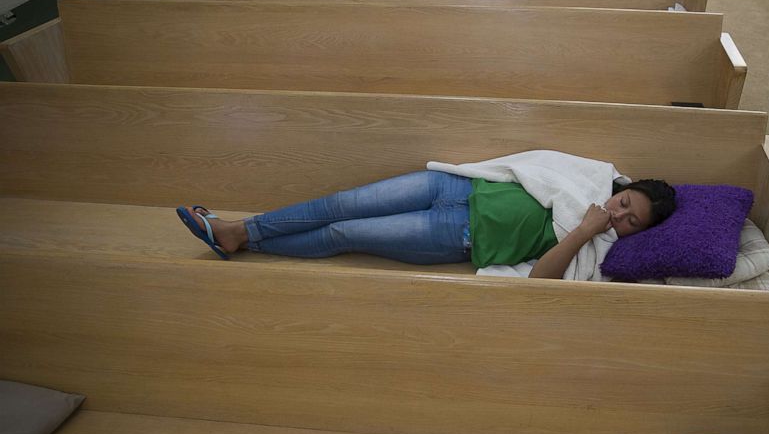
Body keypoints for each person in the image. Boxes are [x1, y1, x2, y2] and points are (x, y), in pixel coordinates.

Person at [177, 169, 676, 280]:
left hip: (456, 237)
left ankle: (244, 239)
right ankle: (241, 231)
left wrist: (586, 230)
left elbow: (541, 281)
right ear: (622, 186)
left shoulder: (597, 249)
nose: (620, 215)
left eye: (631, 221)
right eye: (625, 202)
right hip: (456, 188)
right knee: (342, 203)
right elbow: (538, 168)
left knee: (343, 235)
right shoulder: (592, 176)